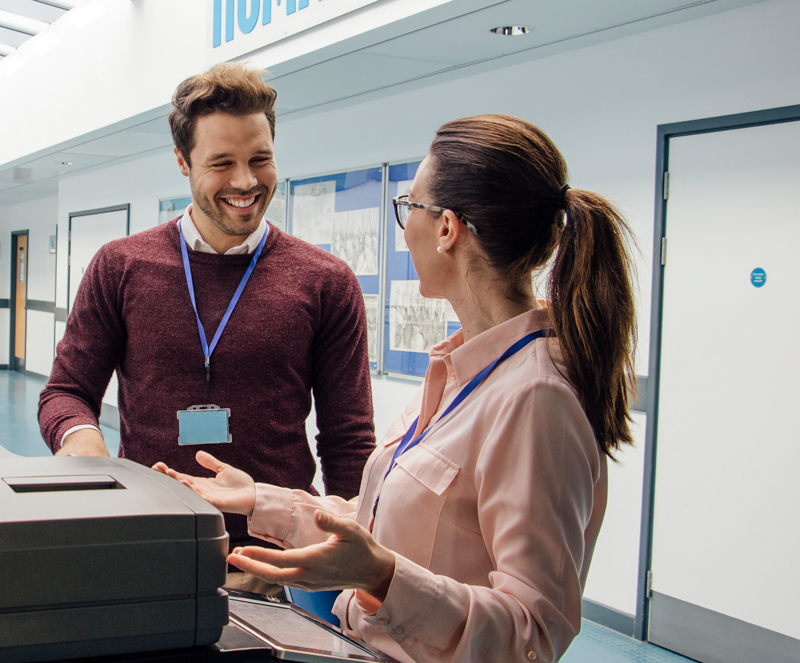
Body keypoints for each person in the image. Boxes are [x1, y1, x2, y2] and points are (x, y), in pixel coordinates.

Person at [155, 114, 637, 662]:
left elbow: (532, 635)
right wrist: (259, 500)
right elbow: (381, 524)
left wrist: (383, 578)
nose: (405, 229)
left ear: (447, 229)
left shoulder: (536, 399)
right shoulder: (460, 371)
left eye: (410, 207)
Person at [38, 63, 377, 592]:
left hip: (278, 567)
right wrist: (81, 439)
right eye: (222, 163)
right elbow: (66, 392)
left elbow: (348, 439)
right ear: (182, 160)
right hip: (149, 548)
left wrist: (349, 562)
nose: (246, 182)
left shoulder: (325, 281)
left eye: (260, 159)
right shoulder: (121, 266)